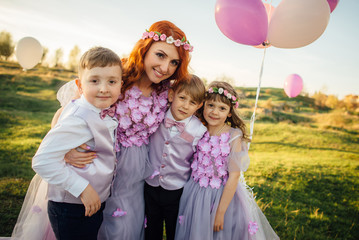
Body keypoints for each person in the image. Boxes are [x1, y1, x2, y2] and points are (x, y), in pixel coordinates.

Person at [61, 20, 193, 240]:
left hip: (134, 171)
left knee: (123, 227)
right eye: (160, 55)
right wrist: (65, 149)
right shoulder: (117, 74)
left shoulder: (168, 91)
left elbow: (196, 109)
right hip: (97, 160)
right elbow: (70, 109)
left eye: (174, 62)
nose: (165, 68)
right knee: (88, 221)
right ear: (145, 49)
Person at [13, 46, 123, 240]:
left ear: (120, 84)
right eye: (94, 81)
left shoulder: (94, 111)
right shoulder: (78, 119)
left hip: (88, 205)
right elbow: (42, 161)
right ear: (80, 85)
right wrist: (83, 188)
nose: (104, 88)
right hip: (71, 207)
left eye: (112, 81)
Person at [174, 81, 280, 240]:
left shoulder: (233, 136)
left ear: (230, 112)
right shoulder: (198, 130)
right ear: (203, 106)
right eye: (210, 105)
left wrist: (220, 212)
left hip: (221, 196)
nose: (214, 112)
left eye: (222, 108)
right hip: (195, 193)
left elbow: (234, 176)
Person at [144, 74, 207, 240]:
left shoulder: (199, 130)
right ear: (171, 95)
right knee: (152, 226)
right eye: (182, 98)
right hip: (150, 184)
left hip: (176, 189)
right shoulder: (157, 116)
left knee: (175, 230)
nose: (185, 106)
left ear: (199, 106)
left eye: (192, 102)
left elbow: (198, 161)